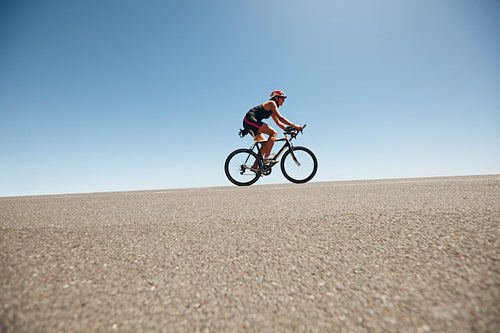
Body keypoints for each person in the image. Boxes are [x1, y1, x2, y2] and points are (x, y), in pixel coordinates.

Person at [243, 90, 303, 163]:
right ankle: (266, 158)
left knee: (265, 145)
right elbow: (281, 118)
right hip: (249, 120)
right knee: (273, 133)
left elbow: (278, 122)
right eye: (282, 98)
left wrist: (287, 130)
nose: (283, 101)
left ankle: (255, 167)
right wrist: (295, 126)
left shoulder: (271, 108)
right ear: (276, 98)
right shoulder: (272, 103)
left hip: (251, 122)